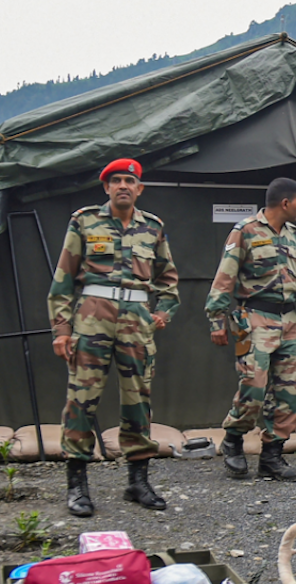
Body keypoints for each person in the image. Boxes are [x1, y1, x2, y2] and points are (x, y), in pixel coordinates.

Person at [47, 158, 179, 517]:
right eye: (116, 180)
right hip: (92, 318)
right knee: (82, 399)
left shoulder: (152, 227)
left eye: (129, 181)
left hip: (136, 321)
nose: (123, 185)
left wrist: (163, 312)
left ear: (139, 189)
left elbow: (168, 280)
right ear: (106, 187)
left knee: (138, 399)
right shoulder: (85, 221)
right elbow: (62, 282)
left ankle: (137, 481)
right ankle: (77, 485)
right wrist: (62, 330)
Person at [205, 177, 296, 482]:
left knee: (291, 392)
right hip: (255, 318)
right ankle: (233, 439)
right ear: (285, 203)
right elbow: (224, 277)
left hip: (289, 321)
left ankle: (272, 456)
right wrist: (217, 320)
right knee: (253, 387)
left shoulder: (293, 234)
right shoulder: (245, 231)